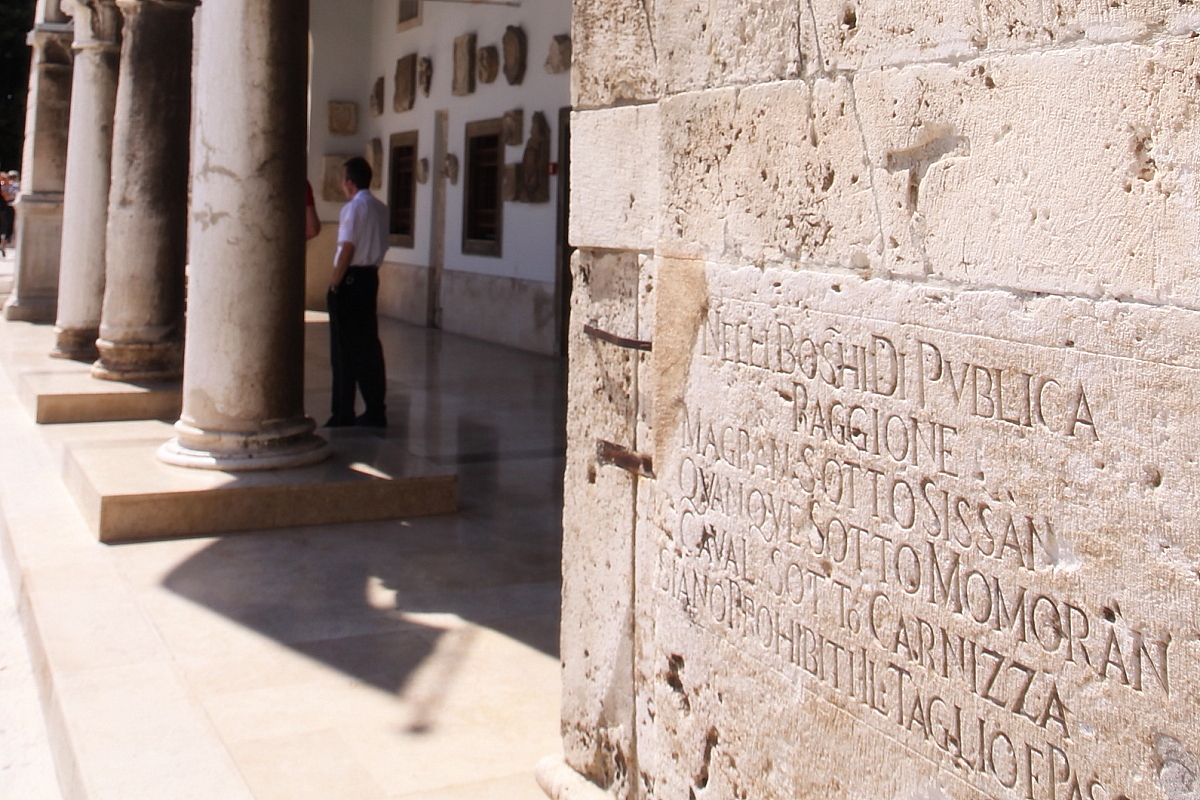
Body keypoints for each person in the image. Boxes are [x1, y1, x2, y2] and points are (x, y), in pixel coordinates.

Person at [326, 157, 388, 428]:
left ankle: (343, 412)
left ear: (350, 183)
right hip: (370, 278)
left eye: (343, 181)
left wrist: (334, 284)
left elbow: (347, 248)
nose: (342, 186)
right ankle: (376, 409)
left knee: (343, 350)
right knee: (368, 346)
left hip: (350, 281)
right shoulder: (381, 208)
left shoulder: (353, 208)